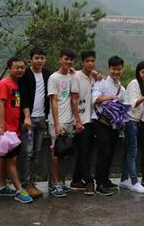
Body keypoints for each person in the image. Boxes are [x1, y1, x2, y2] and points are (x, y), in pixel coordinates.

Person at [0, 56, 33, 204]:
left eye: (22, 67)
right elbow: (0, 105)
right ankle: (19, 190)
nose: (20, 70)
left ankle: (1, 187)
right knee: (12, 160)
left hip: (14, 129)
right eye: (16, 67)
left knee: (4, 158)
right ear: (9, 69)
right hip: (6, 130)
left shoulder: (16, 84)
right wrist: (1, 127)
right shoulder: (4, 84)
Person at [47, 48, 82, 198]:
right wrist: (56, 124)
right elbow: (54, 101)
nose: (68, 62)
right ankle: (54, 184)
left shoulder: (71, 76)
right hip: (57, 121)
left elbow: (74, 99)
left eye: (71, 60)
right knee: (56, 154)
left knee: (63, 153)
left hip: (68, 121)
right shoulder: (54, 78)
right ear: (60, 59)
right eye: (66, 59)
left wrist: (76, 120)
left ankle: (59, 182)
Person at [18, 47, 50, 198]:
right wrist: (27, 117)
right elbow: (23, 97)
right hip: (29, 120)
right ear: (31, 59)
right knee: (27, 152)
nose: (39, 60)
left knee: (37, 152)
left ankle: (32, 181)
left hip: (42, 119)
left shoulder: (47, 75)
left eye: (42, 58)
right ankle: (26, 183)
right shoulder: (25, 75)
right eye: (37, 58)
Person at [91, 55, 126, 196]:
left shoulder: (122, 88)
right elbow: (95, 99)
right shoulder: (102, 83)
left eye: (119, 69)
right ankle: (99, 183)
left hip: (114, 124)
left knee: (111, 151)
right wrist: (110, 97)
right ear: (109, 69)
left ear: (122, 69)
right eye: (113, 69)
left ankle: (105, 179)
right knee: (104, 150)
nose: (116, 72)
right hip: (100, 122)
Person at [119, 61, 144, 194]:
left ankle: (123, 179)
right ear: (138, 73)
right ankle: (133, 182)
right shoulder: (134, 83)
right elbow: (132, 103)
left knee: (128, 151)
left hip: (136, 121)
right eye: (143, 72)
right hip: (130, 121)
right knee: (133, 151)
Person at [71, 50, 100, 196]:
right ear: (82, 62)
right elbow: (74, 99)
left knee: (86, 151)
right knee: (83, 151)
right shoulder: (76, 76)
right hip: (81, 120)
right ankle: (89, 181)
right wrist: (77, 120)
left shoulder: (94, 78)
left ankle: (76, 180)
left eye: (92, 61)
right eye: (87, 61)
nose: (90, 63)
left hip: (91, 119)